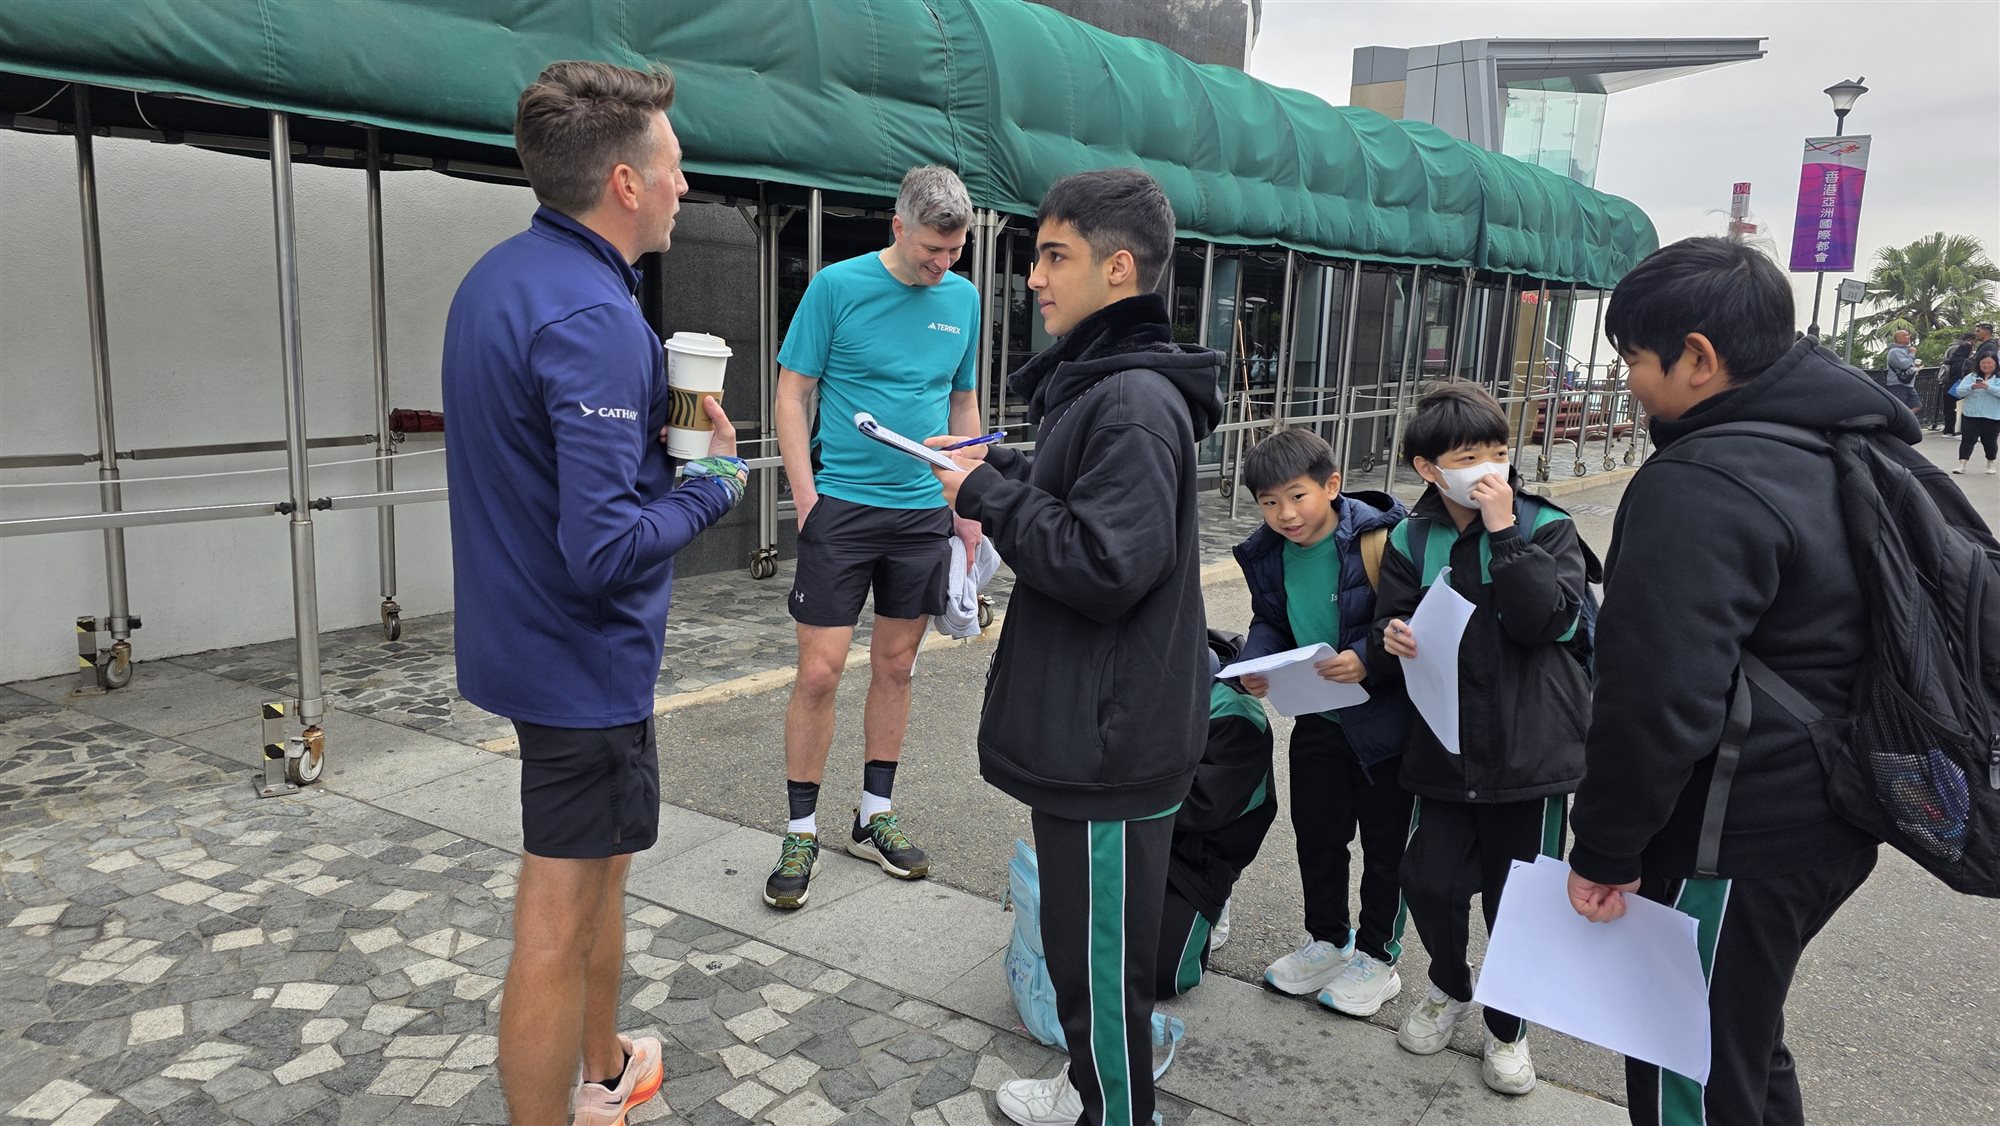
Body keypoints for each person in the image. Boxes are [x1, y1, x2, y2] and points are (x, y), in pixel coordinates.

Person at [1561, 236, 1941, 1126]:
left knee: (1687, 1065)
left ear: (1698, 357)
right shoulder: (1844, 441)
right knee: (1741, 1039)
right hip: (1834, 812)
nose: (1628, 381)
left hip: (1733, 834)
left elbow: (1655, 699)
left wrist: (1606, 851)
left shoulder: (1701, 480)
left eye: (1634, 358)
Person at [442, 61, 746, 1126]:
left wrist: (654, 450)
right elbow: (605, 548)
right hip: (581, 659)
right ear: (624, 181)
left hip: (523, 637)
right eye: (673, 166)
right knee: (556, 918)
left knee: (603, 872)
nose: (684, 184)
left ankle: (607, 1063)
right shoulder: (594, 317)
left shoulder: (499, 278)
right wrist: (711, 486)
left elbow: (545, 468)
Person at [927, 168, 1222, 1126]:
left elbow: (1105, 564)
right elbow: (1092, 509)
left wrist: (987, 494)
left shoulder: (1129, 399)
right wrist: (1009, 467)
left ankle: (1114, 1110)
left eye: (1056, 256)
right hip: (1103, 730)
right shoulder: (1108, 389)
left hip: (1109, 741)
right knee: (1084, 951)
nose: (1034, 278)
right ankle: (1093, 1090)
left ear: (1119, 268)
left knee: (1098, 972)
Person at [766, 165, 984, 909]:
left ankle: (873, 815)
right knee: (819, 673)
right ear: (898, 227)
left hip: (922, 512)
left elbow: (962, 400)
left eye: (955, 251)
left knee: (896, 667)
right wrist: (806, 498)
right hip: (843, 509)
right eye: (931, 249)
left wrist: (969, 503)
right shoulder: (837, 287)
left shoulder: (963, 298)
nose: (943, 264)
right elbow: (792, 393)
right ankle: (801, 830)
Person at [1369, 383, 1590, 1097]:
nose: (1489, 468)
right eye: (1468, 458)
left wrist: (1505, 534)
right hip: (1443, 746)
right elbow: (1389, 623)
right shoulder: (1411, 538)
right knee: (1427, 879)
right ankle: (1449, 983)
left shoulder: (1546, 524)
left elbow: (1547, 621)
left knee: (1515, 903)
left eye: (1498, 451)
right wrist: (1390, 635)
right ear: (1428, 468)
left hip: (1530, 754)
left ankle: (1507, 1026)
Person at [1231, 428, 1416, 1018]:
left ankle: (1378, 957)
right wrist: (1255, 662)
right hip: (1316, 714)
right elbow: (1271, 620)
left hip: (1386, 722)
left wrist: (1367, 656)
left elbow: (1414, 618)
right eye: (1269, 502)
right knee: (1318, 834)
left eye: (1297, 496)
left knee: (1387, 846)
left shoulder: (1382, 538)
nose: (1285, 514)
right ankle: (1328, 941)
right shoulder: (1267, 553)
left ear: (1331, 485)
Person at [1155, 630, 1280, 1000]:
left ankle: (1213, 904)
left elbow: (1201, 808)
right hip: (1130, 829)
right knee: (1077, 950)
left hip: (1197, 852)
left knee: (1158, 977)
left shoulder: (1235, 714)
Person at [1952, 351, 2000, 474]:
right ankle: (1962, 464)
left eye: (1989, 363)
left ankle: (1991, 462)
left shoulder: (1998, 378)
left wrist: (1987, 387)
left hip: (1992, 415)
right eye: (1983, 363)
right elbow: (1959, 391)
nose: (1986, 365)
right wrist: (1972, 387)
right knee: (1967, 440)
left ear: (1995, 363)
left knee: (1989, 441)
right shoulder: (1971, 377)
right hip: (1971, 414)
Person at [1938, 332, 1975, 435]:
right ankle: (1957, 429)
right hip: (1959, 386)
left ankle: (1948, 428)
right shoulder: (1966, 362)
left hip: (1948, 384)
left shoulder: (1951, 360)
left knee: (1949, 408)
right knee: (1959, 408)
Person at [1883, 329, 1920, 413]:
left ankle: (1905, 417)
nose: (1909, 337)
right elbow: (1904, 365)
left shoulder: (1907, 350)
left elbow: (1908, 365)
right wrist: (1912, 354)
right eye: (1906, 335)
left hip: (1909, 384)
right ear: (1898, 339)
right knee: (1899, 408)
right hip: (1897, 384)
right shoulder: (1894, 351)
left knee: (1917, 405)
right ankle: (1899, 419)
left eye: (1908, 335)